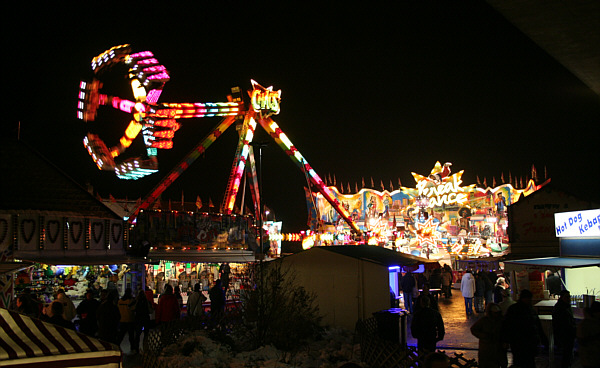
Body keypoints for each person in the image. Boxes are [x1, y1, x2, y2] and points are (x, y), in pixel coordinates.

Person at [503, 289, 548, 368]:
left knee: (523, 362)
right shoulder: (529, 310)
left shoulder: (515, 309)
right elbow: (537, 325)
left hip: (521, 341)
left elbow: (507, 325)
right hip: (523, 341)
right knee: (527, 362)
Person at [470, 303, 507, 368]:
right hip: (487, 349)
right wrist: (484, 336)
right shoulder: (484, 321)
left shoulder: (501, 321)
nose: (496, 315)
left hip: (497, 348)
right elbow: (474, 329)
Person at [552, 290, 576, 368]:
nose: (569, 298)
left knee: (567, 353)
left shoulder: (562, 306)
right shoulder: (562, 307)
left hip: (566, 333)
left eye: (569, 297)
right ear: (562, 297)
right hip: (565, 333)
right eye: (567, 297)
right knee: (566, 353)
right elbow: (562, 322)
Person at [576, 301, 600, 368]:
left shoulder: (587, 323)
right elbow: (582, 341)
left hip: (590, 357)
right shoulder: (586, 324)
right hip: (590, 357)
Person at [132, 289, 150, 354]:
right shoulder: (146, 301)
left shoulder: (137, 301)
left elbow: (132, 308)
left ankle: (136, 348)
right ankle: (145, 347)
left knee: (137, 335)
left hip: (138, 319)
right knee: (146, 335)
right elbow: (150, 310)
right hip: (145, 319)